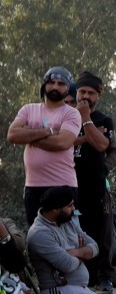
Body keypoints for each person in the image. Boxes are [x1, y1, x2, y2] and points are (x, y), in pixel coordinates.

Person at [8, 66, 83, 225]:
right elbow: (13, 135)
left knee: (65, 239)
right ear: (44, 85)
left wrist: (29, 135)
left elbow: (63, 142)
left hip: (63, 185)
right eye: (51, 82)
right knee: (36, 240)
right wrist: (48, 131)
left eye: (61, 83)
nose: (55, 86)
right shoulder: (28, 109)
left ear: (68, 87)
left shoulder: (71, 113)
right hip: (33, 186)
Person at [72, 71, 116, 290]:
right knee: (75, 232)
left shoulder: (103, 120)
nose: (85, 96)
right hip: (70, 186)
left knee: (102, 231)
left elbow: (106, 147)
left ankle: (104, 275)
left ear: (98, 96)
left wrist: (102, 169)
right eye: (82, 91)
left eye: (91, 93)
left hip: (96, 187)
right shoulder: (65, 117)